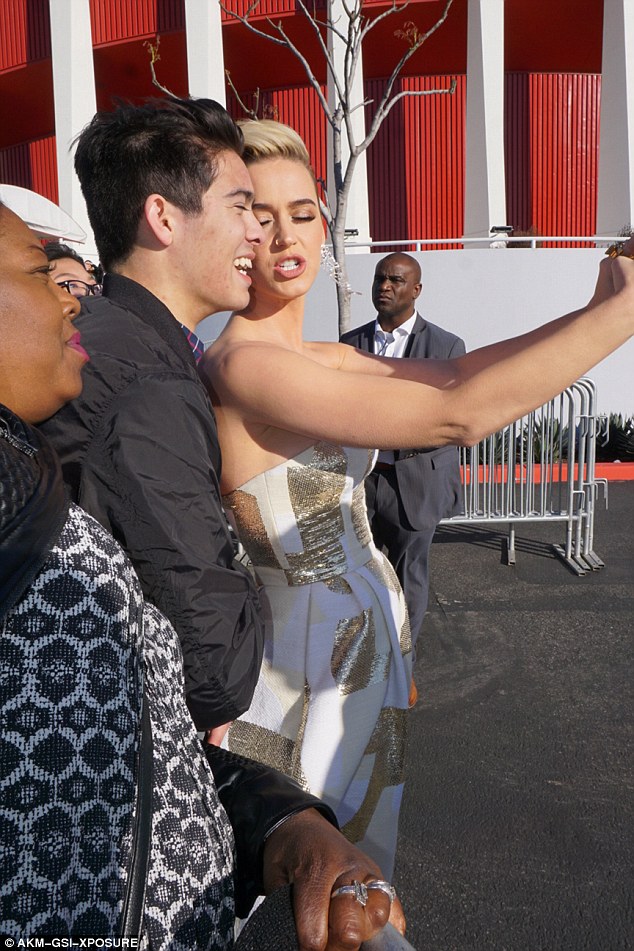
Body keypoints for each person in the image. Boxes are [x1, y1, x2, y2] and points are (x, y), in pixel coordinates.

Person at [201, 118, 634, 880]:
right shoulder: (246, 365)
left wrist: (595, 309)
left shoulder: (318, 355)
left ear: (325, 221)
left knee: (361, 886)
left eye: (301, 212)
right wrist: (620, 318)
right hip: (302, 688)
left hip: (365, 665)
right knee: (326, 898)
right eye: (257, 217)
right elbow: (455, 414)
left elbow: (455, 375)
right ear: (230, 229)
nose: (283, 236)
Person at [0, 197, 405, 948]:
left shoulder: (35, 496)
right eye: (38, 272)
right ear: (162, 214)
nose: (71, 293)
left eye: (302, 211)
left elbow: (142, 740)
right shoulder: (191, 378)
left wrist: (284, 819)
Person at [40, 96, 268, 739]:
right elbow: (212, 669)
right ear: (162, 217)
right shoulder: (148, 388)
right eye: (240, 204)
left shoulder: (94, 338)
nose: (258, 231)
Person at [341, 253, 466, 658]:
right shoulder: (351, 344)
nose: (384, 286)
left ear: (416, 290)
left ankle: (401, 661)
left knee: (410, 575)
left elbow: (450, 414)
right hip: (365, 479)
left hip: (415, 477)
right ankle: (367, 657)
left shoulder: (446, 346)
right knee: (363, 571)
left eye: (395, 280)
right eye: (380, 278)